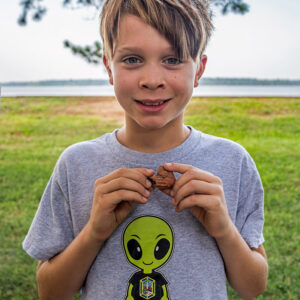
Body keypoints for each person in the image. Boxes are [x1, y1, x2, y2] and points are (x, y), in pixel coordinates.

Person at [22, 0, 268, 299]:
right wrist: (95, 231)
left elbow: (253, 287)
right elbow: (50, 291)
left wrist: (224, 230)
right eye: (132, 60)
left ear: (199, 70)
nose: (152, 80)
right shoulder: (76, 164)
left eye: (173, 59)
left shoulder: (233, 162)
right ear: (108, 67)